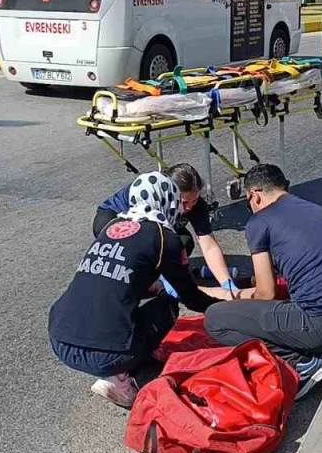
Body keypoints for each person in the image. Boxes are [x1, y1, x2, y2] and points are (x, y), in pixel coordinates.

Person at [49, 172, 224, 408]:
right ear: (168, 201)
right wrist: (223, 311)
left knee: (119, 290)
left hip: (59, 340)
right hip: (105, 357)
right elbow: (190, 298)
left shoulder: (111, 227)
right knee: (168, 305)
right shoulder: (164, 239)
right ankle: (118, 376)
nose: (182, 212)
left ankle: (113, 363)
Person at [204, 164, 322, 399]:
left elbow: (266, 294)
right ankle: (316, 349)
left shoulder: (259, 222)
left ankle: (302, 362)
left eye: (248, 201)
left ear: (254, 195)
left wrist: (231, 296)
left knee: (215, 318)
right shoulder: (318, 211)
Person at [94, 163, 238, 296]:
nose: (189, 207)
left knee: (183, 242)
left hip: (157, 225)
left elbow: (209, 246)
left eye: (194, 201)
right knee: (141, 256)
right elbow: (154, 245)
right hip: (114, 219)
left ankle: (165, 277)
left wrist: (227, 283)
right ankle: (146, 282)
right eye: (184, 202)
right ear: (169, 194)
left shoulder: (196, 204)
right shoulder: (152, 197)